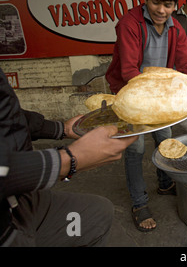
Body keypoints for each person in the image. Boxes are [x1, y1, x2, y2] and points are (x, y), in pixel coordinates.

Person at [105, 0, 187, 232]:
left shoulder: (175, 28)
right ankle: (139, 203)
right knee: (135, 149)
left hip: (158, 94)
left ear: (176, 5)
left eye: (168, 5)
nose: (161, 10)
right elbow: (129, 72)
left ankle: (165, 183)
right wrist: (165, 96)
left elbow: (185, 64)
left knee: (165, 139)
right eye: (156, 3)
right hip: (130, 93)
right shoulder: (129, 23)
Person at [0, 67, 137, 247]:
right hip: (5, 232)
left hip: (20, 199)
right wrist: (67, 160)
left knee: (98, 212)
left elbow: (7, 115)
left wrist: (60, 129)